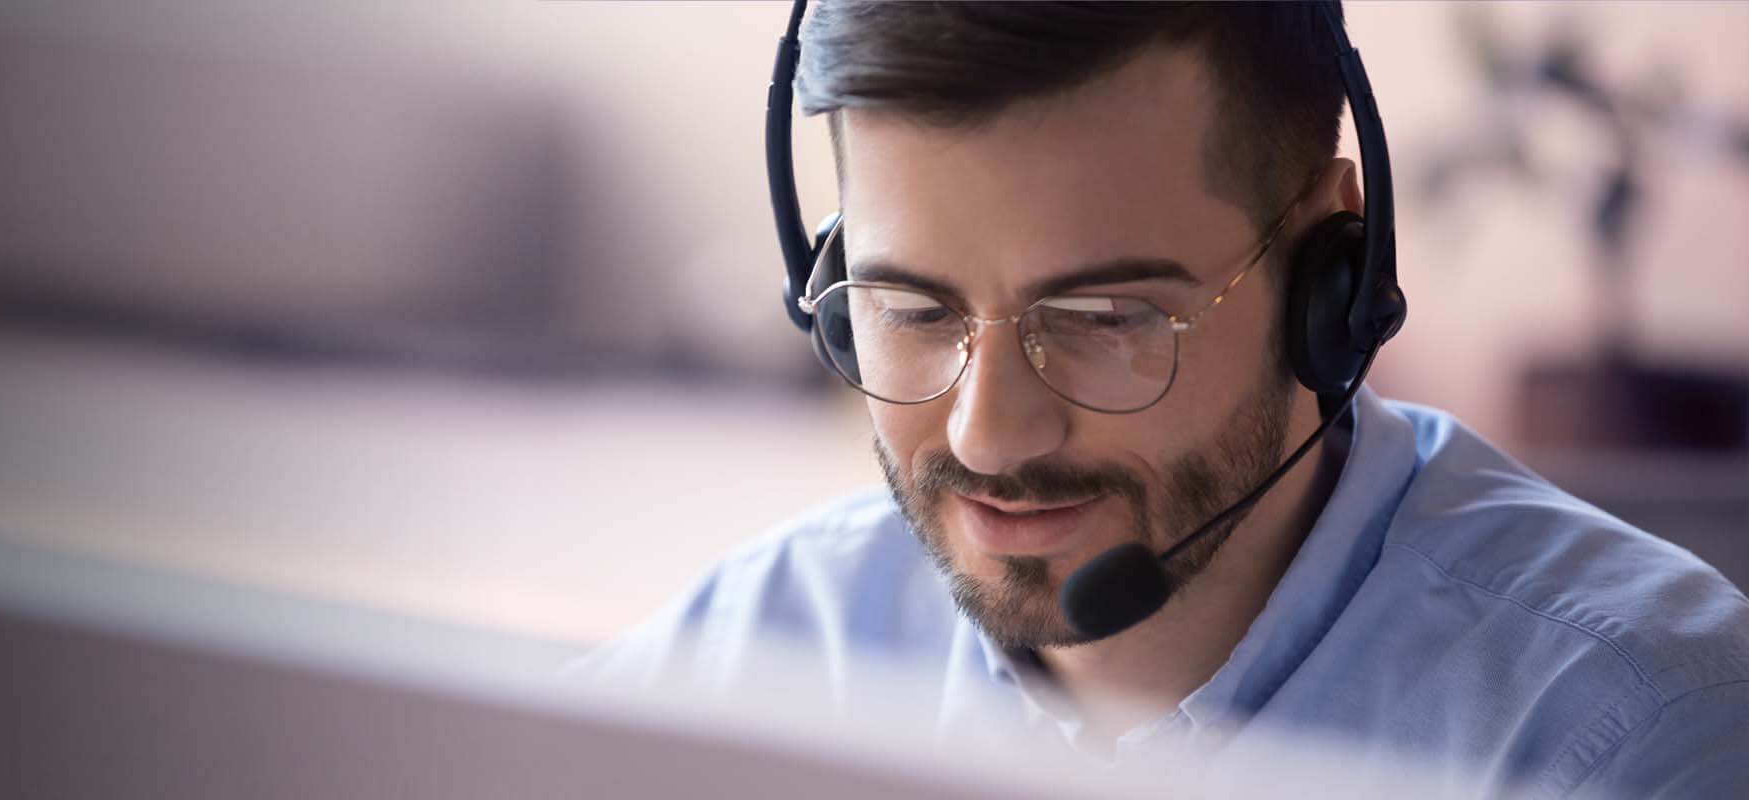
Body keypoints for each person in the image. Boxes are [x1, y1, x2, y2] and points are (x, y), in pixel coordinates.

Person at [569, 3, 1749, 795]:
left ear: (1326, 273)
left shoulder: (1631, 733)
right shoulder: (759, 644)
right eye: (910, 309)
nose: (988, 434)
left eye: (1101, 321)